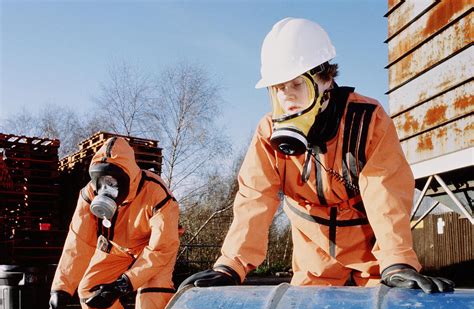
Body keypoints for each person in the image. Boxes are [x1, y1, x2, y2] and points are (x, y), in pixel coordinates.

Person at [180, 17, 453, 294]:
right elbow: (255, 198)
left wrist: (396, 261)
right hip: (313, 270)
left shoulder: (368, 121)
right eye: (278, 88)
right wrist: (231, 266)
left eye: (296, 84)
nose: (287, 98)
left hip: (372, 264)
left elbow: (387, 193)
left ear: (325, 78)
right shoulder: (268, 133)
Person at [41, 136, 179, 309]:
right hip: (117, 248)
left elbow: (161, 249)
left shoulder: (156, 192)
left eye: (113, 181)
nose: (106, 188)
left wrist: (123, 284)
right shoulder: (88, 195)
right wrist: (59, 295)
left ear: (129, 177)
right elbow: (77, 243)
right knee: (89, 289)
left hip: (153, 250)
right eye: (100, 180)